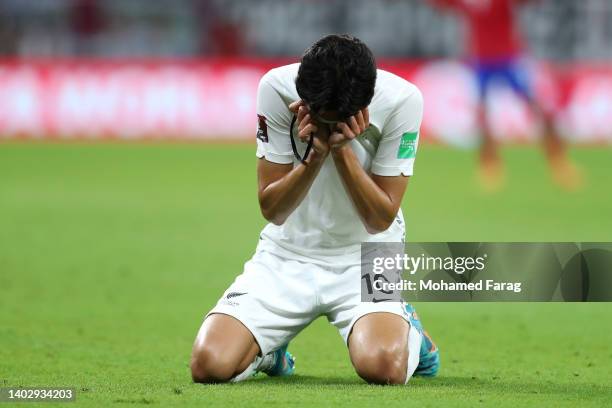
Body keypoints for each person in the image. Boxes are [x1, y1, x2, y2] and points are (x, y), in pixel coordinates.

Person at [190, 34, 439, 385]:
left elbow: (379, 218)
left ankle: (408, 328)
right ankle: (270, 352)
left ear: (364, 103)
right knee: (208, 365)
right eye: (322, 116)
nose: (329, 123)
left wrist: (341, 151)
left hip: (369, 256)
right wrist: (314, 155)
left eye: (340, 119)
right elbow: (272, 209)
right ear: (303, 97)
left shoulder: (402, 100)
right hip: (286, 254)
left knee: (383, 368)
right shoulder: (277, 89)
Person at [431, 0, 580, 190]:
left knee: (538, 109)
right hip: (482, 61)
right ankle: (490, 165)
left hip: (509, 58)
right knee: (483, 116)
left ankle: (558, 160)